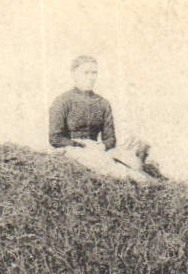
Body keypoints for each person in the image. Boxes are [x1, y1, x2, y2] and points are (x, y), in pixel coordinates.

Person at [48, 55, 156, 184]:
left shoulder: (102, 103)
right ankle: (143, 181)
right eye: (86, 72)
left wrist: (103, 146)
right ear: (74, 74)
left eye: (94, 73)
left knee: (134, 163)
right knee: (111, 168)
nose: (91, 77)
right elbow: (55, 138)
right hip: (71, 148)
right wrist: (82, 146)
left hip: (96, 148)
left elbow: (110, 138)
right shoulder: (63, 101)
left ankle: (141, 177)